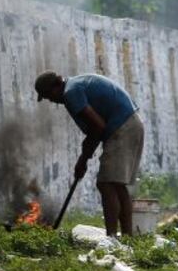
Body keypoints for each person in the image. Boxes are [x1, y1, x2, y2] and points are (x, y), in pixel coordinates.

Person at [34, 71, 144, 236]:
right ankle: (127, 237)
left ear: (57, 85)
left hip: (122, 128)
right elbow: (96, 129)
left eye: (49, 95)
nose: (52, 100)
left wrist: (83, 159)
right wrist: (84, 157)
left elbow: (98, 127)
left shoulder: (71, 93)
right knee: (117, 184)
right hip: (131, 124)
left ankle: (112, 238)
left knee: (106, 183)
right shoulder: (75, 85)